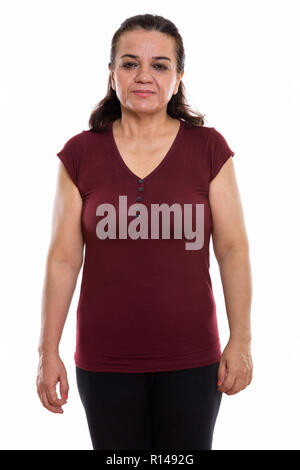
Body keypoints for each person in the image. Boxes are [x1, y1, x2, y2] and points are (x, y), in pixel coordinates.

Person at [36, 14, 253, 450]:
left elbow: (232, 249)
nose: (143, 76)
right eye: (130, 63)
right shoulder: (79, 154)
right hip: (104, 362)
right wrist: (47, 352)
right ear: (112, 73)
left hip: (193, 359)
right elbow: (63, 258)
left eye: (160, 65)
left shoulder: (209, 148)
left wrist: (241, 339)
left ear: (178, 78)